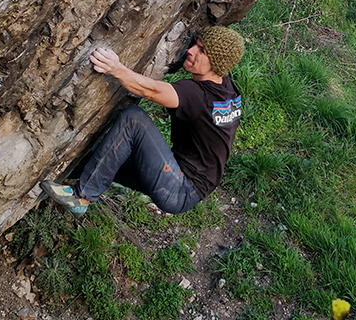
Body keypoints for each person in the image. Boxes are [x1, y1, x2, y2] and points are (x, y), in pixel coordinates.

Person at [40, 26, 245, 217]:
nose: (191, 51)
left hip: (178, 187)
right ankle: (41, 184)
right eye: (195, 44)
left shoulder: (198, 96)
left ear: (217, 63)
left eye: (201, 51)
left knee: (133, 120)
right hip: (187, 183)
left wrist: (116, 69)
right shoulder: (227, 89)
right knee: (98, 159)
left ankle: (81, 197)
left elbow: (151, 91)